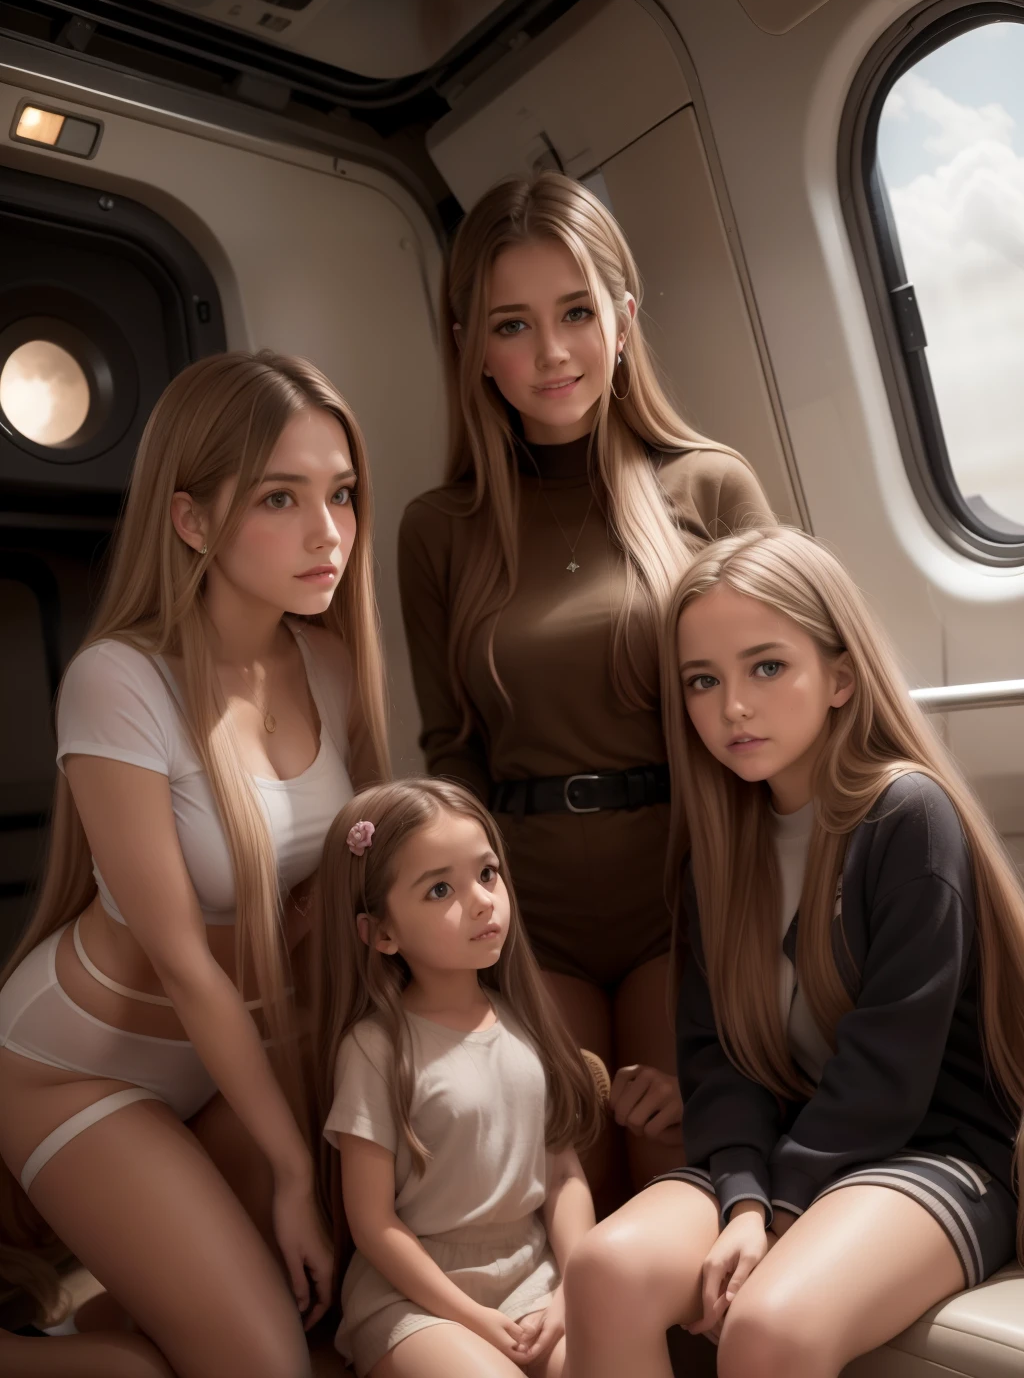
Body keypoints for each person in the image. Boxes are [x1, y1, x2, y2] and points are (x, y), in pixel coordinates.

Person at [0, 351, 389, 1378]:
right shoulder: (118, 679)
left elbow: (337, 885)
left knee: (325, 1321)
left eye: (341, 495)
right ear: (191, 521)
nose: (328, 533)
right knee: (267, 1366)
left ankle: (108, 1324)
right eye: (280, 498)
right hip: (79, 1072)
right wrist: (293, 1174)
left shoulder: (331, 665)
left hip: (233, 1062)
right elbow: (184, 962)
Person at [563, 526, 1024, 1378]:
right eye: (703, 681)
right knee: (602, 1272)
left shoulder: (906, 818)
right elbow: (721, 1064)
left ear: (840, 677)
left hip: (936, 1151)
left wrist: (772, 1211)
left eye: (766, 667)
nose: (732, 706)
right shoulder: (722, 846)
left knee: (768, 1329)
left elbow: (888, 1071)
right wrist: (744, 1198)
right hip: (782, 1144)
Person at [398, 171, 775, 1202]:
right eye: (513, 325)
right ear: (471, 344)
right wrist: (474, 933)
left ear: (623, 316)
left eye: (575, 312)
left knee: (680, 1181)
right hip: (526, 910)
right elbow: (451, 750)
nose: (552, 352)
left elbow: (778, 715)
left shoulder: (709, 484)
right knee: (570, 1193)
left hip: (682, 895)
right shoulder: (439, 530)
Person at [311, 777, 602, 1378]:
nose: (480, 901)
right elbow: (372, 1222)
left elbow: (563, 1173)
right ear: (381, 933)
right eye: (440, 888)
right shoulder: (374, 1049)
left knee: (607, 1361)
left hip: (534, 1276)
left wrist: (575, 1285)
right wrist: (469, 1315)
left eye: (488, 874)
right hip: (416, 1299)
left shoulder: (525, 1021)